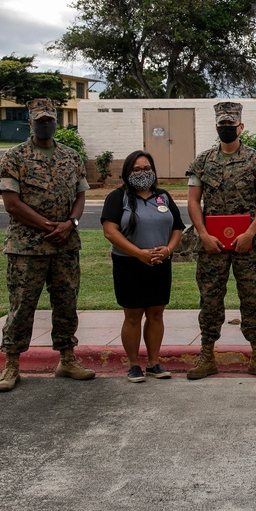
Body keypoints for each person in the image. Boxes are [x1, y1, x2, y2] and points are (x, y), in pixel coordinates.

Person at [0, 98, 95, 392]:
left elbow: (80, 196)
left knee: (66, 303)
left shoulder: (71, 157)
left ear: (57, 121)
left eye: (50, 120)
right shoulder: (15, 157)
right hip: (27, 247)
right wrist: (49, 226)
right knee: (22, 306)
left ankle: (67, 359)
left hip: (65, 245)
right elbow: (12, 204)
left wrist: (71, 223)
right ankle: (11, 364)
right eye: (40, 120)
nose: (46, 124)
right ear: (30, 123)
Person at [185, 101, 256, 380]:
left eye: (231, 125)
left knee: (251, 300)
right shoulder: (202, 161)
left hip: (247, 245)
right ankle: (207, 356)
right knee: (210, 301)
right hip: (212, 244)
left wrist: (250, 233)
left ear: (241, 127)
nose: (227, 129)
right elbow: (193, 201)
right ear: (217, 127)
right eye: (222, 125)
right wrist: (202, 234)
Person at [101, 151, 185, 383]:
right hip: (129, 264)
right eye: (136, 170)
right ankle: (133, 364)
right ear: (128, 173)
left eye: (147, 169)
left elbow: (177, 227)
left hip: (160, 263)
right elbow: (110, 231)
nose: (142, 173)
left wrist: (168, 250)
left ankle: (154, 363)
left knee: (156, 314)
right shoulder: (118, 198)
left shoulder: (163, 196)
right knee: (133, 315)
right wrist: (139, 254)